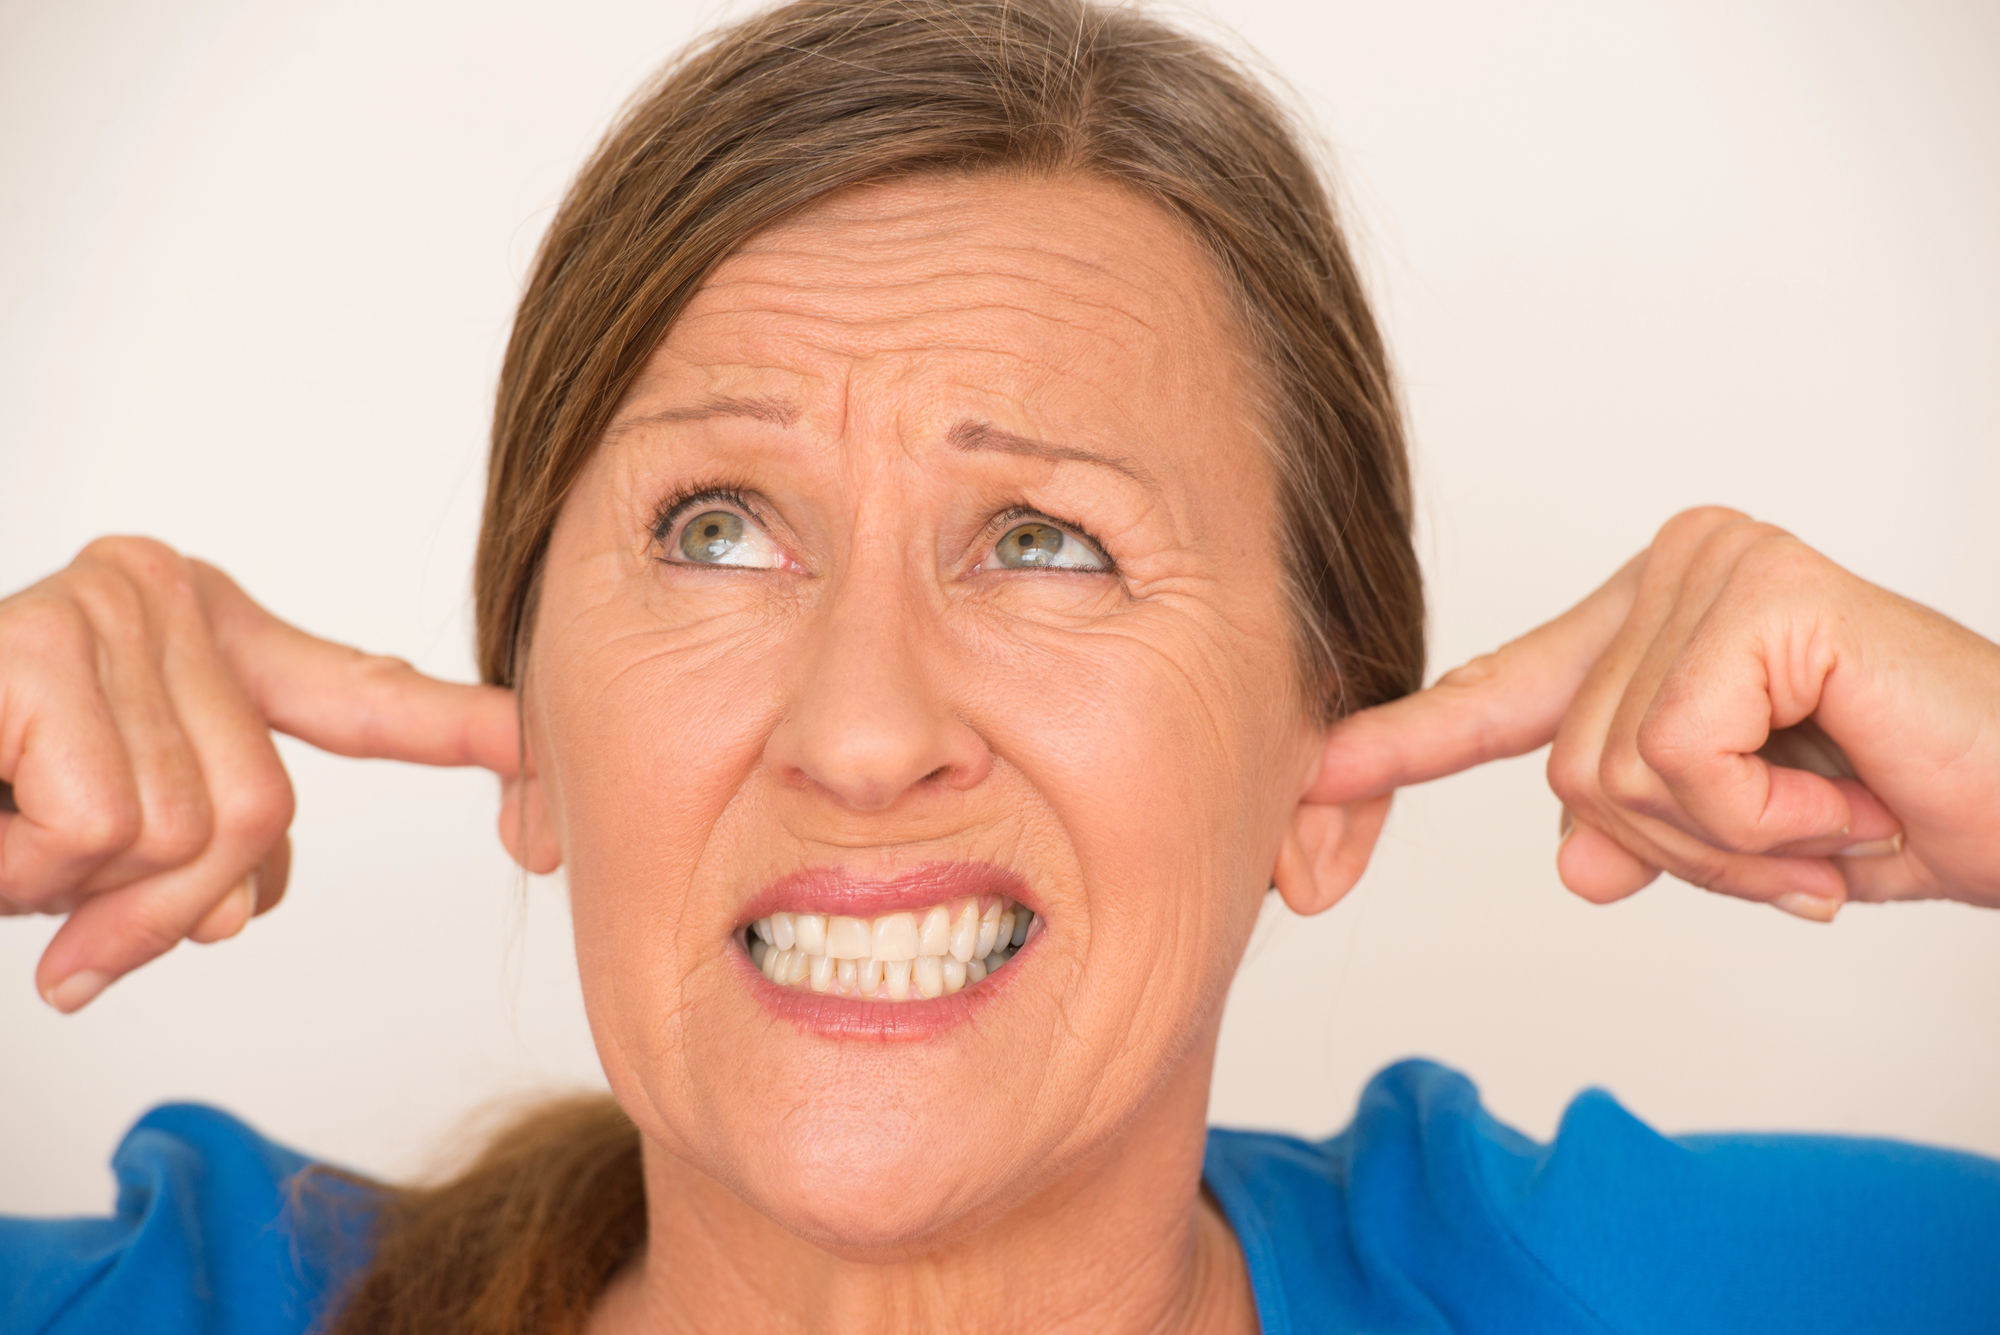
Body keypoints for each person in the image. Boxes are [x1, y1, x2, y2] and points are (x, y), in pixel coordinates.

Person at [3, 1, 1998, 1332]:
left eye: (1045, 541)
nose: (864, 731)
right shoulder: (171, 1299)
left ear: (1335, 774)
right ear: (531, 738)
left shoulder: (1704, 1288)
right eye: (719, 528)